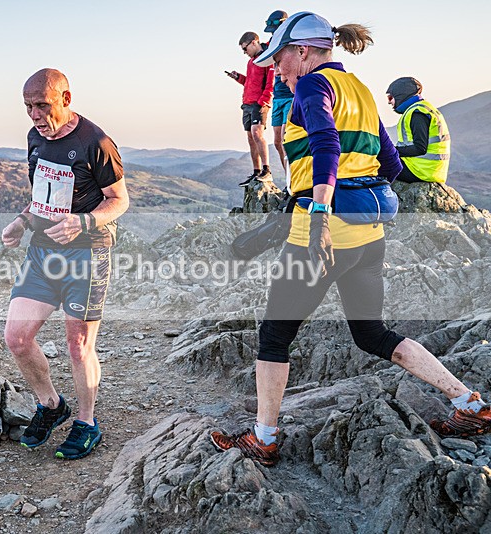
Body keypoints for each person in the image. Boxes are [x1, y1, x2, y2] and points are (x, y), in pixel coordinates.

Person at [210, 12, 491, 467]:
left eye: (279, 58)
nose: (276, 68)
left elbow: (325, 144)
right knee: (372, 333)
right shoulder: (358, 88)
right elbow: (391, 161)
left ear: (302, 50)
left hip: (319, 234)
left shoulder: (311, 85)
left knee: (274, 337)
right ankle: (469, 405)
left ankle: (263, 438)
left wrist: (319, 213)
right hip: (368, 234)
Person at [2, 68, 129, 460]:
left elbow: (119, 200)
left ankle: (87, 423)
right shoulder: (34, 138)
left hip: (88, 251)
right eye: (28, 107)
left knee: (78, 346)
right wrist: (22, 221)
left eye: (42, 105)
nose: (35, 115)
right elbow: (42, 195)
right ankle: (52, 405)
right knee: (17, 338)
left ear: (66, 99)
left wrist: (83, 221)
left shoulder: (96, 141)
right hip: (43, 251)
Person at [226, 32, 274, 186]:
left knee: (257, 133)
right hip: (247, 103)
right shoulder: (251, 63)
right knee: (250, 137)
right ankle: (256, 171)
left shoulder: (267, 59)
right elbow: (250, 83)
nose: (244, 53)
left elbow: (270, 83)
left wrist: (263, 101)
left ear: (254, 42)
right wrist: (238, 77)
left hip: (259, 103)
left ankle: (267, 170)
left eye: (245, 49)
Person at [387, 76, 451, 183]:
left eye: (390, 98)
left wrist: (391, 151)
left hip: (420, 171)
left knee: (374, 162)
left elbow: (420, 148)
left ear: (400, 96)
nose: (389, 102)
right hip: (428, 170)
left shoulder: (417, 113)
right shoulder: (423, 108)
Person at [265, 10, 293, 176]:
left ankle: (294, 180)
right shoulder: (272, 42)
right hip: (278, 96)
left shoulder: (291, 40)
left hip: (290, 94)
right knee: (277, 141)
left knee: (285, 139)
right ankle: (288, 177)